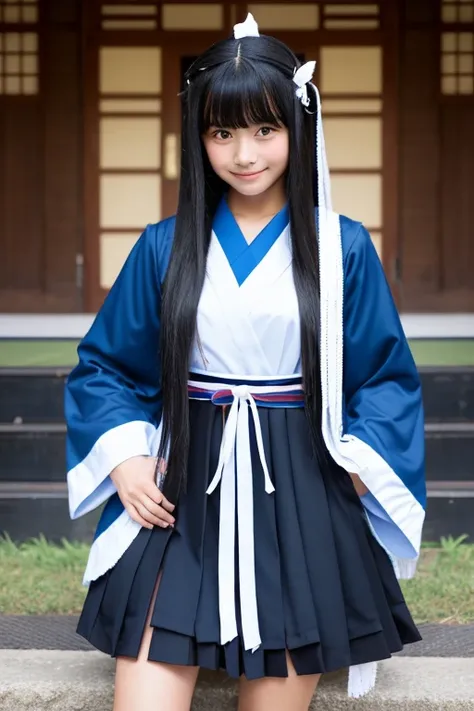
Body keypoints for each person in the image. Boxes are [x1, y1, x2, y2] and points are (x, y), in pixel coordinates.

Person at [65, 13, 426, 711]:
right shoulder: (164, 246)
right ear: (199, 139)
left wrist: (359, 462)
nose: (244, 153)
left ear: (298, 128)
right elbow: (104, 367)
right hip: (184, 483)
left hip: (302, 482)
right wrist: (125, 460)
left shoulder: (341, 248)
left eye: (265, 129)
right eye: (221, 131)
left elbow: (385, 374)